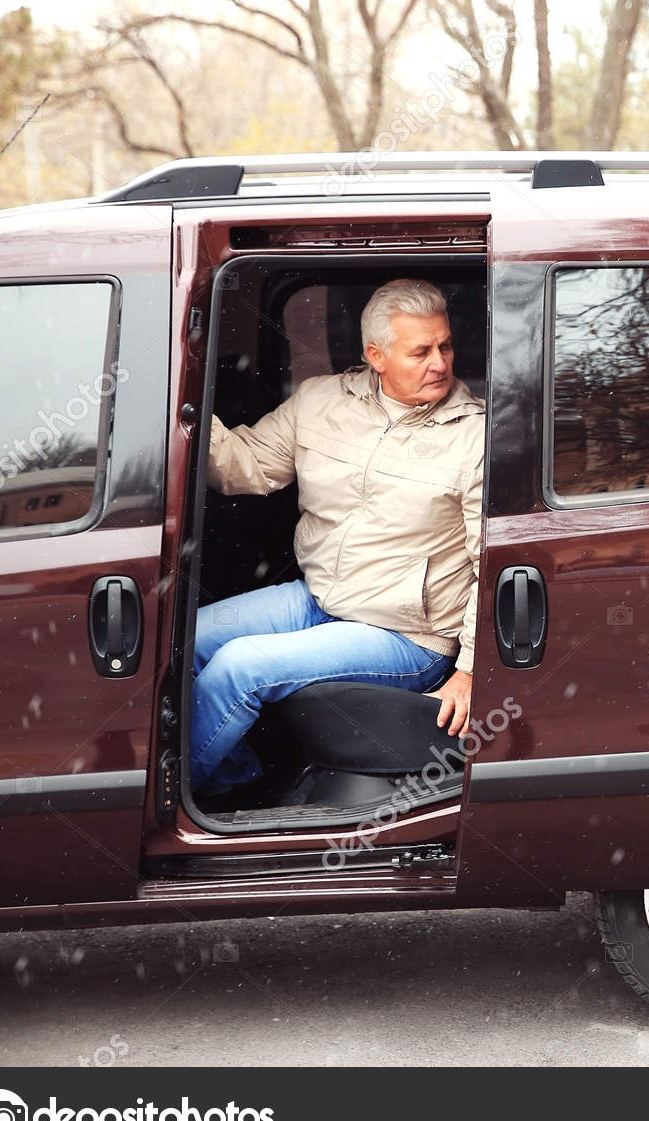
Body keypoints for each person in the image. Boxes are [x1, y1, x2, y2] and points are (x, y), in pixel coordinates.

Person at [192, 278, 485, 801]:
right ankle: (235, 781)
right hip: (322, 599)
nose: (440, 363)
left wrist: (470, 670)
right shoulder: (321, 400)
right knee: (184, 639)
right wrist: (180, 406)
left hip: (408, 635)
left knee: (239, 667)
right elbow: (247, 467)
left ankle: (170, 810)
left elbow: (495, 562)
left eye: (444, 345)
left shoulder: (474, 436)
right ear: (376, 354)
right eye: (420, 351)